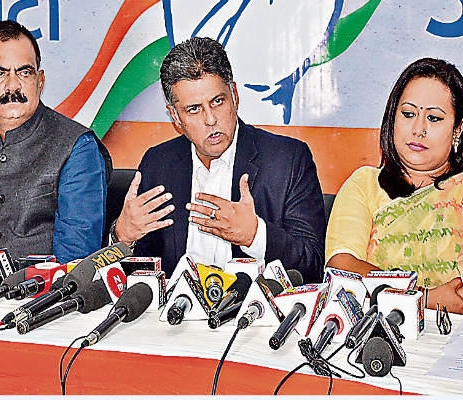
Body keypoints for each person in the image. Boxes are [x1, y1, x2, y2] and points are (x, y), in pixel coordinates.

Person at [111, 37, 326, 281]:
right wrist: (122, 237)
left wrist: (255, 236)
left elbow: (313, 265)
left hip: (252, 304)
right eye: (194, 109)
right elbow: (138, 275)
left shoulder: (287, 160)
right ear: (175, 116)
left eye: (217, 101)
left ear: (234, 95)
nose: (210, 119)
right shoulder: (158, 163)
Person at [0, 20, 111, 262]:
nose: (13, 85)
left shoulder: (77, 147)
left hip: (45, 285)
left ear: (40, 81)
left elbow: (74, 261)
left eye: (25, 72)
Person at [325, 57, 463, 314]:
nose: (418, 129)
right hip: (377, 327)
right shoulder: (365, 184)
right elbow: (342, 266)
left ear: (457, 129)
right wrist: (421, 298)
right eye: (408, 114)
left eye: (434, 118)